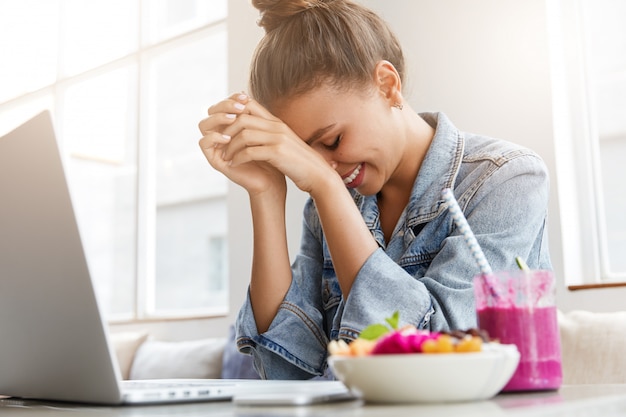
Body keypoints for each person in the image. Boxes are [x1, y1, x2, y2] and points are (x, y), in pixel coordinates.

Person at [198, 0, 552, 380]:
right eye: (304, 153)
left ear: (387, 85)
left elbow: (432, 361)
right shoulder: (327, 207)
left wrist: (326, 188)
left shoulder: (507, 179)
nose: (324, 167)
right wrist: (266, 194)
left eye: (332, 141)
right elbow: (284, 369)